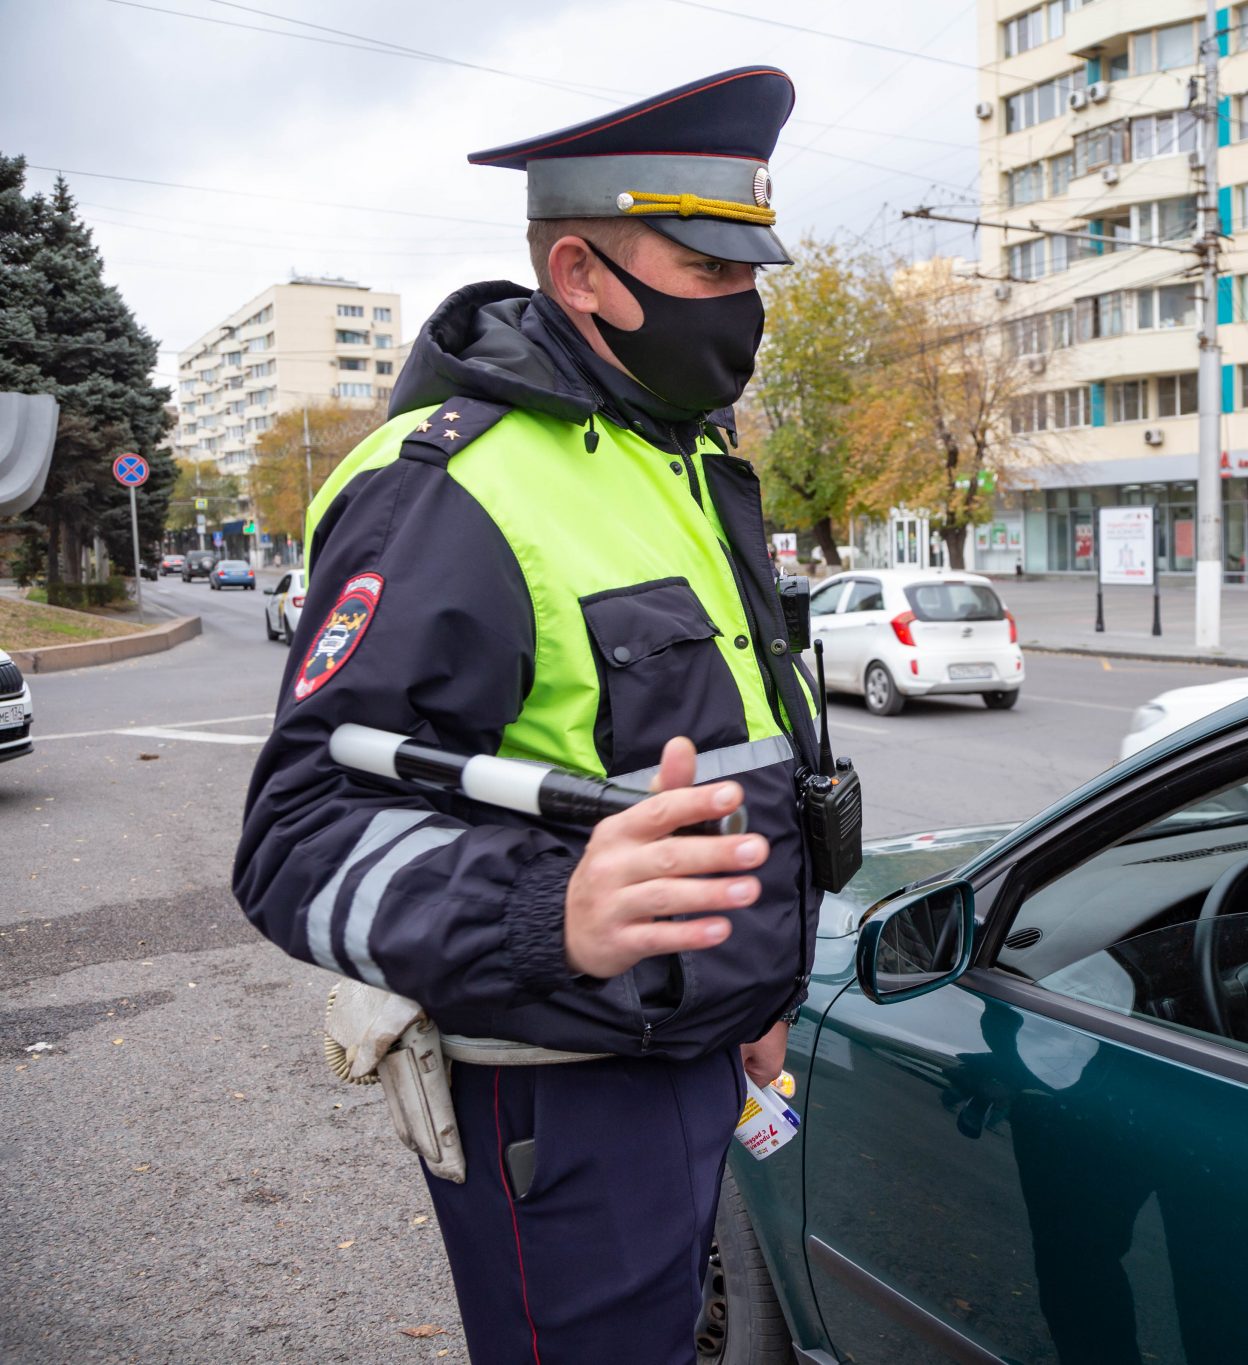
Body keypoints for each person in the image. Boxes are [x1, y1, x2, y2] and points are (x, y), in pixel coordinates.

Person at [233, 67, 824, 1363]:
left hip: (694, 1051)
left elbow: (728, 771)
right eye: (708, 268)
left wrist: (744, 991)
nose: (745, 304)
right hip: (556, 1101)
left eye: (749, 269)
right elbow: (294, 835)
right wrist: (543, 913)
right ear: (580, 273)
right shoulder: (447, 488)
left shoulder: (685, 457)